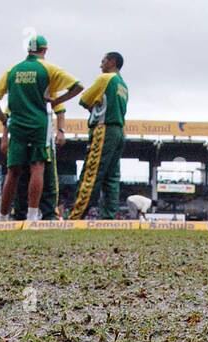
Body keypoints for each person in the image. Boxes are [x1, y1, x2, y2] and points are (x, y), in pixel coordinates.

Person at [0, 34, 82, 221]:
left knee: (13, 171)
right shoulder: (49, 70)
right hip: (39, 125)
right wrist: (57, 100)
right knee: (37, 168)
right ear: (45, 50)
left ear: (27, 49)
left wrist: (5, 123)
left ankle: (2, 216)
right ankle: (32, 216)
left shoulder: (13, 70)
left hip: (17, 126)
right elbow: (78, 87)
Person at [68, 52, 128, 221]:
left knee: (91, 173)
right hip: (119, 131)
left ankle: (74, 217)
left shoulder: (106, 78)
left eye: (103, 61)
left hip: (104, 129)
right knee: (112, 177)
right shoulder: (123, 85)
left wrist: (94, 105)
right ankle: (108, 218)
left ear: (112, 62)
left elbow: (84, 100)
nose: (100, 65)